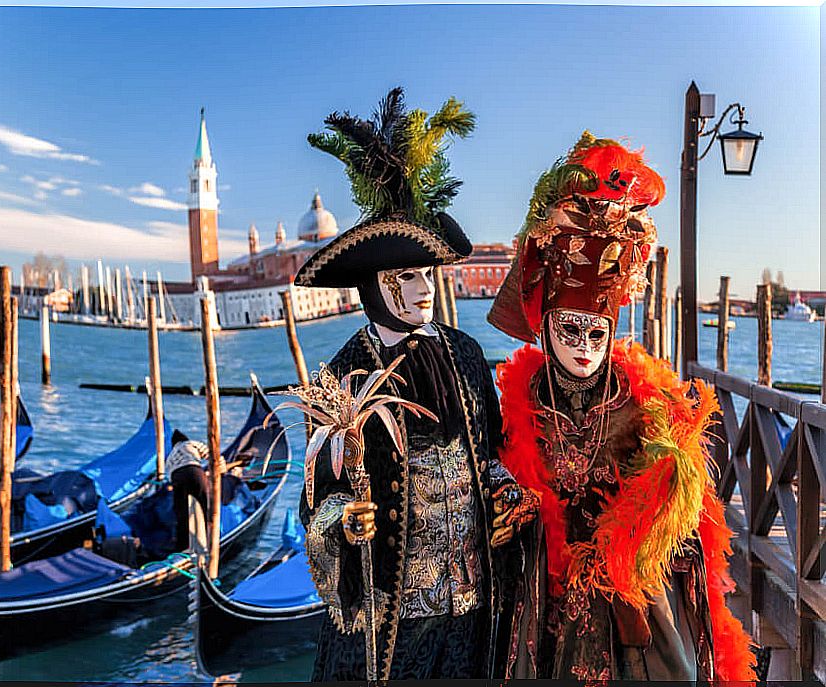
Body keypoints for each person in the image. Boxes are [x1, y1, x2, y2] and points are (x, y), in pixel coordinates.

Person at [487, 132, 755, 681]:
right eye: (570, 329)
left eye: (596, 332)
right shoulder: (523, 404)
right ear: (545, 327)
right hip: (545, 612)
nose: (584, 348)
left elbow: (691, 524)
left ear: (612, 330)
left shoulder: (646, 405)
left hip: (632, 618)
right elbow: (502, 483)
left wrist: (656, 508)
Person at [295, 87, 535, 682]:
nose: (424, 288)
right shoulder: (339, 378)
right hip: (392, 615)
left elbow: (489, 450)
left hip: (474, 603)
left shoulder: (467, 353)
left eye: (427, 273)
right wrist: (344, 522)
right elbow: (316, 499)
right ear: (374, 284)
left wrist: (507, 493)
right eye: (405, 275)